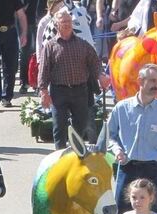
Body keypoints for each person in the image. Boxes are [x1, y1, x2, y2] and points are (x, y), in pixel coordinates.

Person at [102, 63, 157, 214]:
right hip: (128, 169)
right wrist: (117, 149)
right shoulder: (121, 108)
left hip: (153, 171)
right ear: (140, 81)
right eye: (153, 81)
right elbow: (108, 136)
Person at [38, 9, 109, 150]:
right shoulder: (50, 46)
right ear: (56, 25)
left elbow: (94, 62)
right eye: (63, 22)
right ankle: (59, 156)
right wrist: (43, 91)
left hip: (80, 91)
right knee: (59, 126)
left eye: (69, 22)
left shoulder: (83, 44)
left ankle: (75, 151)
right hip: (59, 91)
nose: (67, 24)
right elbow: (44, 70)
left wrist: (100, 75)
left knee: (81, 124)